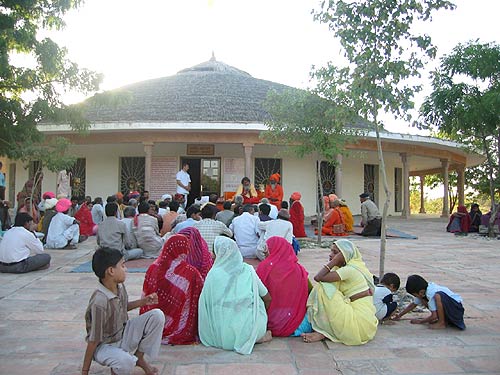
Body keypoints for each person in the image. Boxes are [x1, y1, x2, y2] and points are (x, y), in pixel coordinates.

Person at [82, 247, 164, 375]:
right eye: (122, 265)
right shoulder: (100, 302)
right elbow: (93, 340)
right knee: (126, 362)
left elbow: (123, 307)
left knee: (157, 316)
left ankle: (140, 358)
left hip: (122, 333)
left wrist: (143, 301)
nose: (125, 269)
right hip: (104, 346)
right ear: (111, 271)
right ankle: (118, 364)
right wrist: (84, 371)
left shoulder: (119, 287)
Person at [198, 236, 272, 355]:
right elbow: (267, 297)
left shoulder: (213, 274)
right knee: (257, 297)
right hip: (248, 330)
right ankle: (257, 337)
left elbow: (205, 303)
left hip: (219, 334)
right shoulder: (248, 270)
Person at [301, 239, 378, 345]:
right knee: (328, 288)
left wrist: (333, 262)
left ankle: (324, 331)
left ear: (345, 255)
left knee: (322, 288)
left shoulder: (349, 270)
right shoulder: (354, 267)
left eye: (335, 253)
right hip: (366, 325)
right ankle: (325, 329)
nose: (331, 255)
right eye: (331, 251)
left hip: (357, 324)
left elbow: (319, 277)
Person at [140, 235, 204, 345]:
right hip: (179, 326)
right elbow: (201, 297)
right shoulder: (191, 273)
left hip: (151, 323)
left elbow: (146, 295)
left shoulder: (153, 267)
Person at [256, 237, 309, 337]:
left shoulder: (265, 267)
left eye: (267, 248)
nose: (264, 252)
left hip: (269, 321)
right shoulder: (299, 269)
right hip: (295, 321)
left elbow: (256, 292)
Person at [393, 274, 465, 330]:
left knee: (437, 296)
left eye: (415, 295)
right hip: (451, 310)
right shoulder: (423, 293)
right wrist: (399, 315)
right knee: (424, 300)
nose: (416, 297)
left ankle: (441, 322)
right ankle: (443, 319)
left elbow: (434, 316)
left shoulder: (430, 293)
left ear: (420, 292)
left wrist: (420, 321)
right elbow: (413, 305)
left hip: (456, 309)